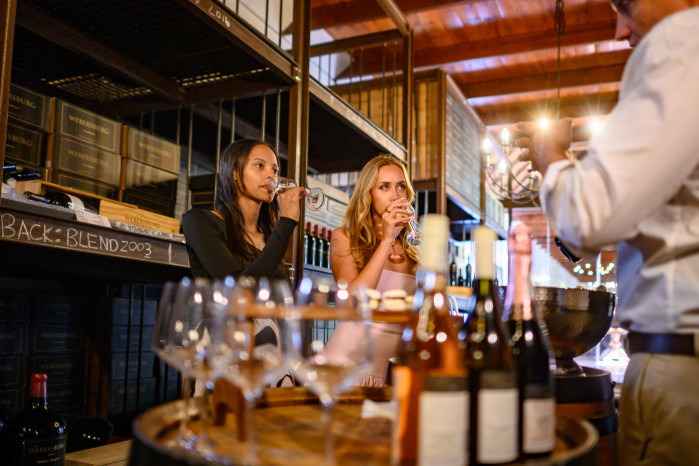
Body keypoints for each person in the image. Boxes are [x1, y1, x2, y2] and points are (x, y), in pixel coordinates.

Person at [515, 2, 699, 464]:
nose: (619, 30)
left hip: (682, 370)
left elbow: (592, 221)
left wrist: (551, 159)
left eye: (626, 4)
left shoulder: (681, 40)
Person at [182, 139, 306, 386]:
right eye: (260, 166)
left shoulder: (268, 237)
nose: (270, 176)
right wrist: (287, 223)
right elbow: (240, 289)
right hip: (227, 354)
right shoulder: (199, 221)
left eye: (275, 170)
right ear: (235, 174)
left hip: (274, 359)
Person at [323, 154, 420, 386]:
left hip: (392, 372)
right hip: (350, 364)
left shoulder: (412, 250)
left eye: (401, 187)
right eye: (384, 187)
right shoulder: (344, 237)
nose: (395, 195)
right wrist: (386, 241)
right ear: (369, 194)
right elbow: (353, 303)